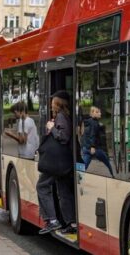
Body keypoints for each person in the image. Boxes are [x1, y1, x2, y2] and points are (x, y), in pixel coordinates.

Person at [36, 91, 75, 235]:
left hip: (57, 162)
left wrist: (52, 129)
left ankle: (52, 220)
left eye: (53, 103)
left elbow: (63, 137)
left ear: (58, 104)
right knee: (63, 191)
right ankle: (71, 222)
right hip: (63, 161)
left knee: (42, 186)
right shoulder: (64, 116)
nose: (51, 105)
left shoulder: (60, 117)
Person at [80, 106, 115, 176]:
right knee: (107, 161)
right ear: (92, 113)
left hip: (86, 148)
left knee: (84, 166)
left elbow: (85, 134)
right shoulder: (94, 123)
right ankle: (113, 176)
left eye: (99, 112)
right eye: (97, 112)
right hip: (94, 149)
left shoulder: (88, 122)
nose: (100, 113)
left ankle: (78, 178)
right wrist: (92, 146)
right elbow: (93, 135)